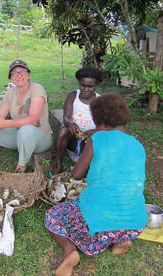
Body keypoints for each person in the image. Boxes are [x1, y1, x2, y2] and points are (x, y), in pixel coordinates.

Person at [45, 94, 148, 276]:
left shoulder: (97, 139)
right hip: (135, 223)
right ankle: (120, 240)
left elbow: (77, 175)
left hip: (100, 227)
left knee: (53, 216)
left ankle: (69, 252)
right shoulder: (138, 145)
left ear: (99, 121)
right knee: (113, 209)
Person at [0, 59, 52, 173]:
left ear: (29, 74)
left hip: (41, 138)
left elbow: (33, 119)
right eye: (14, 73)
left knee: (26, 130)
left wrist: (6, 123)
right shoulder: (10, 93)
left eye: (22, 71)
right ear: (11, 78)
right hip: (19, 136)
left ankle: (21, 167)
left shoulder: (37, 89)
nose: (19, 75)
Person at [54, 66, 103, 174]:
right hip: (73, 140)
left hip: (89, 143)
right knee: (63, 130)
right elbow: (66, 117)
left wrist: (94, 131)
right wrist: (70, 123)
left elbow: (104, 126)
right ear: (79, 83)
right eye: (83, 85)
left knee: (95, 138)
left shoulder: (100, 101)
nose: (86, 90)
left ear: (96, 85)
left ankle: (86, 166)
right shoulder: (73, 96)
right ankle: (58, 166)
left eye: (90, 87)